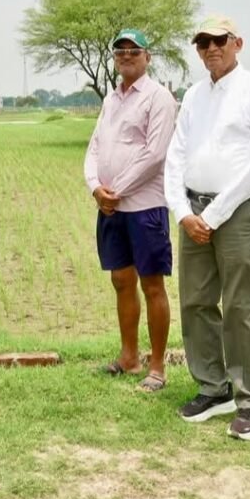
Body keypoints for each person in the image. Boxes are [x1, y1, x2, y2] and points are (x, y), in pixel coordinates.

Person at [163, 14, 250, 440]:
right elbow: (176, 155)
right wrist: (182, 211)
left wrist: (212, 217)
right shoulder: (194, 95)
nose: (211, 48)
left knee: (241, 306)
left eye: (219, 40)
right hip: (192, 209)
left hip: (237, 211)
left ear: (237, 43)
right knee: (195, 302)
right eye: (203, 42)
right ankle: (213, 389)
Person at [84, 28, 176, 392]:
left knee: (152, 284)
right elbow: (95, 146)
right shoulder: (111, 99)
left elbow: (155, 154)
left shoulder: (159, 97)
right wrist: (96, 187)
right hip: (111, 208)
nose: (126, 56)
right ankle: (129, 357)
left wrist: (116, 191)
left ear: (147, 56)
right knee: (121, 280)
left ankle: (157, 366)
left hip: (144, 206)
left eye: (133, 50)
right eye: (120, 51)